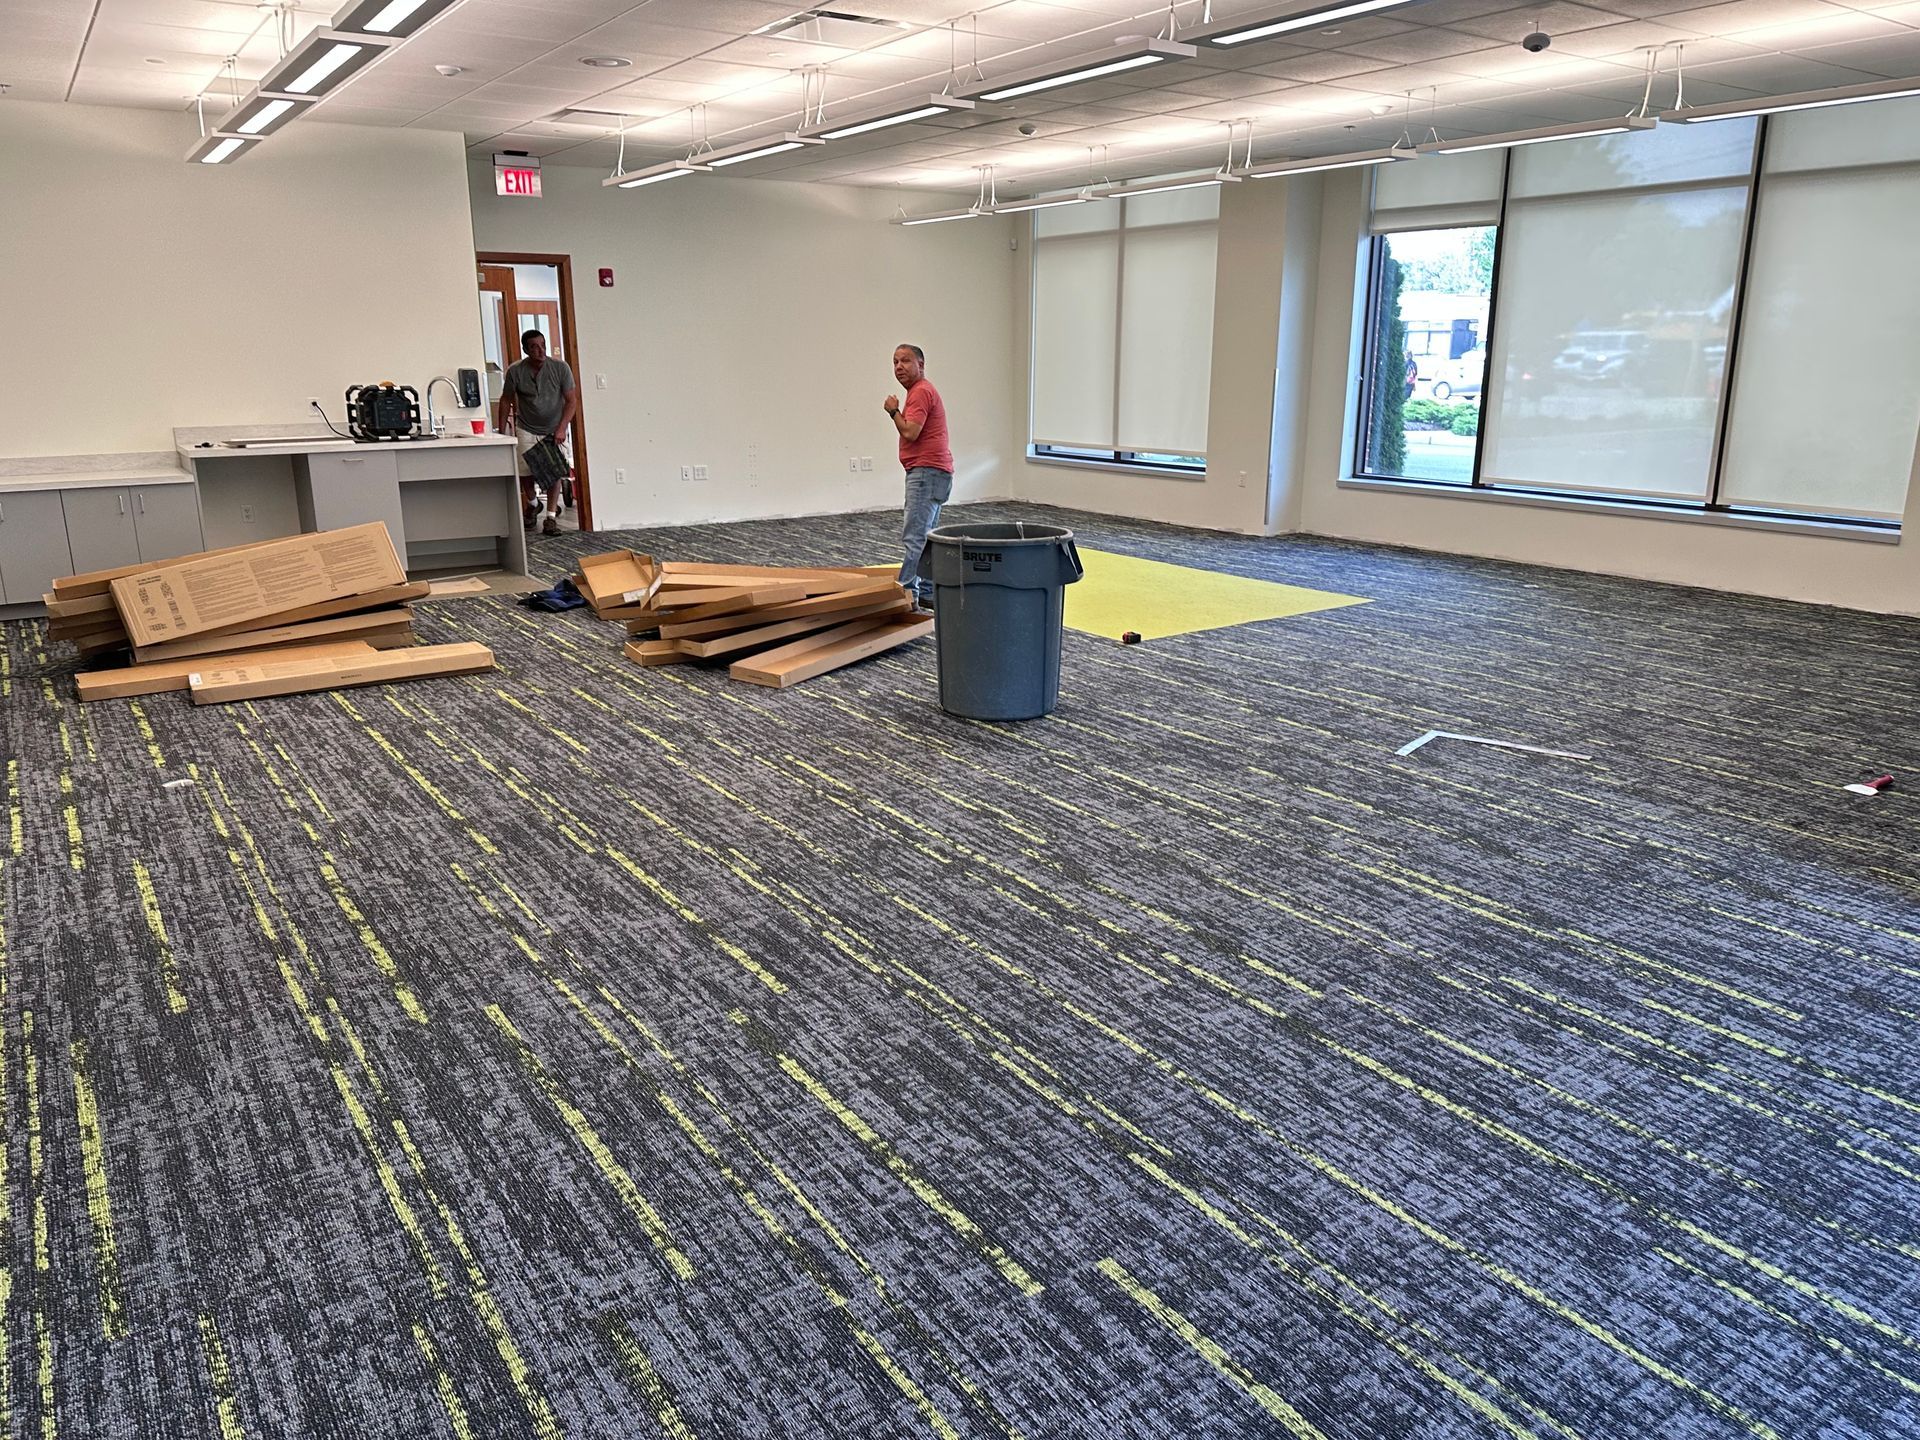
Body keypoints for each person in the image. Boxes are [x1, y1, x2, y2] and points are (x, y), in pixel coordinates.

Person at [883, 343, 953, 612]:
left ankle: (906, 594)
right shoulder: (922, 391)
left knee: (915, 537)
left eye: (905, 361)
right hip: (936, 472)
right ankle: (926, 592)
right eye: (895, 362)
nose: (899, 367)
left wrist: (893, 411)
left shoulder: (921, 391)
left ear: (920, 365)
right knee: (927, 537)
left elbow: (911, 432)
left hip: (926, 472)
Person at [497, 329, 578, 536]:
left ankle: (550, 518)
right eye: (534, 346)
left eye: (543, 345)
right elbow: (506, 399)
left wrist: (562, 428)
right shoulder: (516, 371)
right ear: (526, 349)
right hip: (526, 427)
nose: (540, 350)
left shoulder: (560, 368)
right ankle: (533, 503)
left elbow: (571, 401)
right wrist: (501, 430)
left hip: (554, 428)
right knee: (525, 471)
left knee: (554, 474)